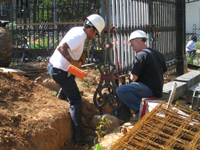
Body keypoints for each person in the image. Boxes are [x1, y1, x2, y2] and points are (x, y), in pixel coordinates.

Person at [47, 14, 105, 144]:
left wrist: (77, 60)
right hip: (59, 71)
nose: (94, 37)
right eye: (96, 34)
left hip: (56, 67)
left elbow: (69, 48)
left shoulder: (77, 31)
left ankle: (62, 94)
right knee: (76, 100)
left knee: (75, 71)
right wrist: (72, 61)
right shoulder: (79, 36)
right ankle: (79, 137)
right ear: (91, 29)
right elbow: (62, 48)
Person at [116, 30, 168, 122]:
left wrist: (131, 74)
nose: (132, 48)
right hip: (158, 91)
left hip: (148, 90)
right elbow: (166, 72)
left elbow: (133, 78)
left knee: (121, 90)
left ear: (137, 41)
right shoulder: (157, 53)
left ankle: (142, 111)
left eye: (132, 45)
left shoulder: (141, 55)